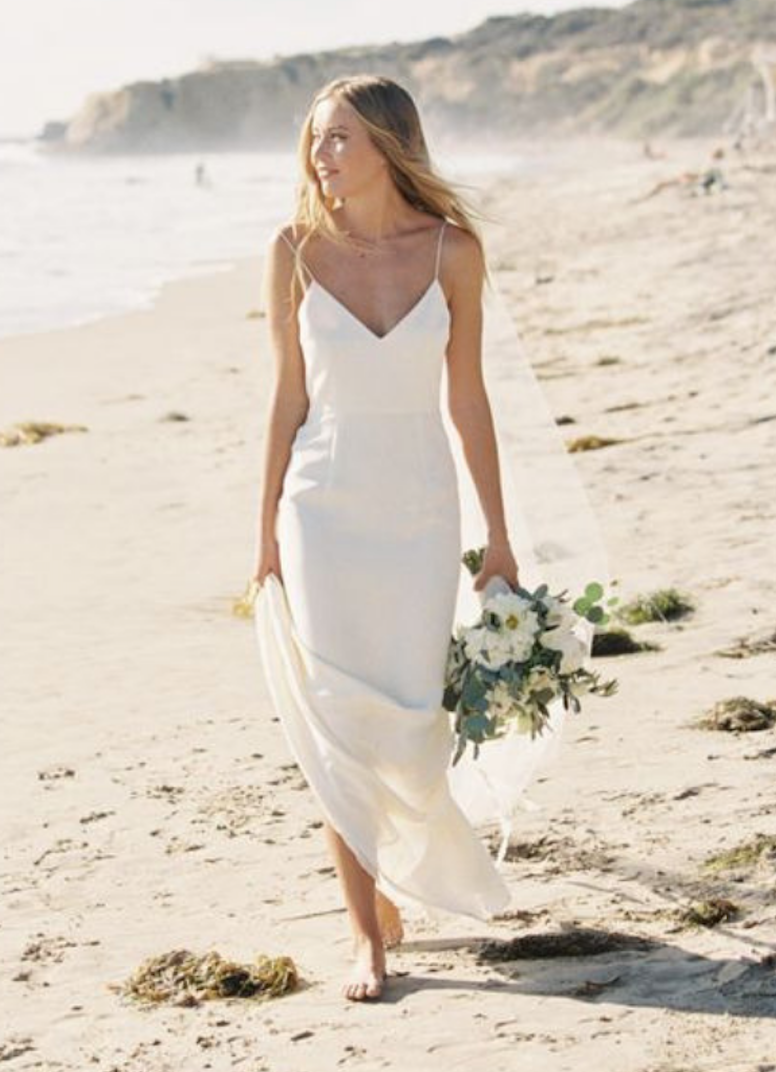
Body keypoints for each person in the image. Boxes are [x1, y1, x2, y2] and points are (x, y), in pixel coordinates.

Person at [251, 75, 520, 1003]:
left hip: (418, 509)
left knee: (410, 719)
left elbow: (469, 400)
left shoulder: (453, 253)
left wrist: (498, 537)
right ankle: (366, 934)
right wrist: (264, 539)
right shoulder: (292, 252)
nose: (322, 156)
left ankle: (394, 873)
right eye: (316, 138)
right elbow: (287, 402)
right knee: (336, 721)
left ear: (390, 146)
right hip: (320, 506)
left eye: (340, 139)